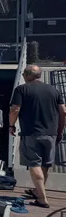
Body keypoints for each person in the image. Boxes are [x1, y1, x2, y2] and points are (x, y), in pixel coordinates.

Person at [9, 64, 66, 208]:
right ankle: (37, 190)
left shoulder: (21, 89)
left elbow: (15, 109)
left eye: (23, 74)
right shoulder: (54, 90)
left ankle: (42, 199)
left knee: (34, 164)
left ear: (27, 75)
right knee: (45, 164)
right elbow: (63, 112)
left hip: (31, 133)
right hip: (51, 133)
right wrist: (59, 131)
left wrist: (11, 125)